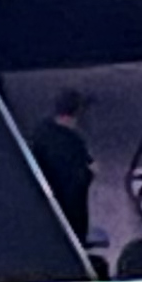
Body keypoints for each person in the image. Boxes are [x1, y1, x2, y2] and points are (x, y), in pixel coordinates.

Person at [29, 89, 97, 239]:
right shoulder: (73, 145)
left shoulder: (41, 130)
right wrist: (90, 173)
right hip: (69, 221)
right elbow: (76, 186)